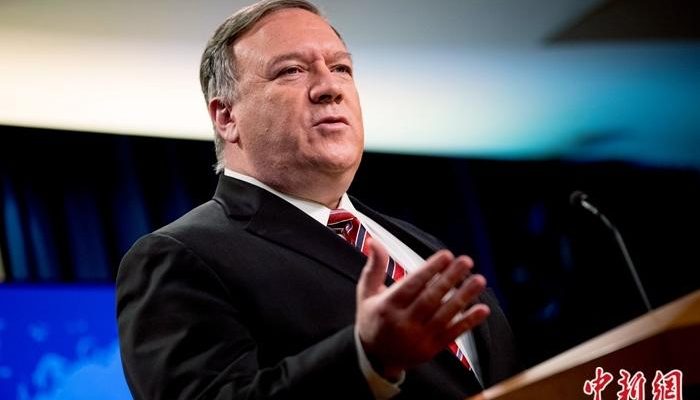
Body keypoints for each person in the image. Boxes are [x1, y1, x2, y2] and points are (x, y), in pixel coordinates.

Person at [116, 1, 517, 399]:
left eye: (341, 68)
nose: (330, 88)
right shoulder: (178, 256)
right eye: (291, 70)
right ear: (226, 117)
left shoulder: (416, 241)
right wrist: (367, 359)